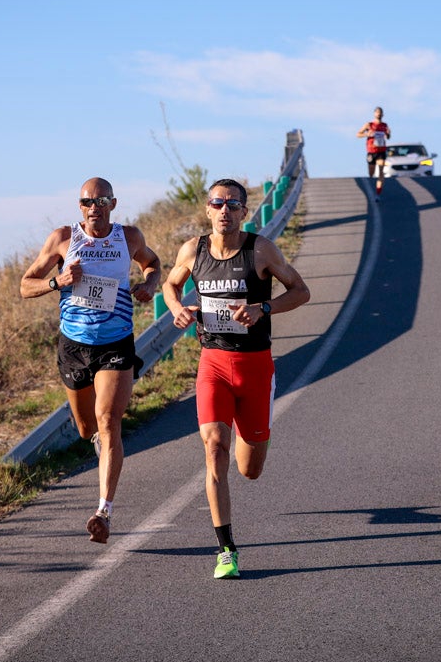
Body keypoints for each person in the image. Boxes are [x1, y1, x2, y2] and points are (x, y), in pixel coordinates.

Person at [162, 179, 311, 578]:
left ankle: (253, 435)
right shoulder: (193, 250)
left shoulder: (260, 249)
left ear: (245, 211)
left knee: (249, 469)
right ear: (207, 209)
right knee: (214, 448)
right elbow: (170, 284)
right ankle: (226, 549)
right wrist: (177, 307)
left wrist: (264, 306)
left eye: (233, 204)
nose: (224, 210)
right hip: (212, 363)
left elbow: (301, 291)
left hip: (255, 367)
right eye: (217, 203)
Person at [20, 177, 161, 544]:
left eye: (101, 201)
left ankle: (104, 512)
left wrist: (149, 285)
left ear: (113, 204)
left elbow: (153, 263)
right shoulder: (62, 239)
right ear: (79, 206)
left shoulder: (128, 237)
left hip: (115, 342)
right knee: (87, 428)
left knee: (108, 418)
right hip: (74, 346)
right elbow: (25, 285)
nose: (93, 207)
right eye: (87, 202)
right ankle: (99, 443)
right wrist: (58, 282)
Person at [356, 106, 391, 201]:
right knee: (371, 173)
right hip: (371, 152)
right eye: (377, 112)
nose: (379, 114)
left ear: (382, 114)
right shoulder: (369, 124)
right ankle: (371, 186)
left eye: (380, 112)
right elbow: (358, 134)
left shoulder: (385, 125)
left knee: (380, 172)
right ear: (374, 114)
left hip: (381, 151)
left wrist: (388, 134)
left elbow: (388, 137)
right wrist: (366, 134)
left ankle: (377, 194)